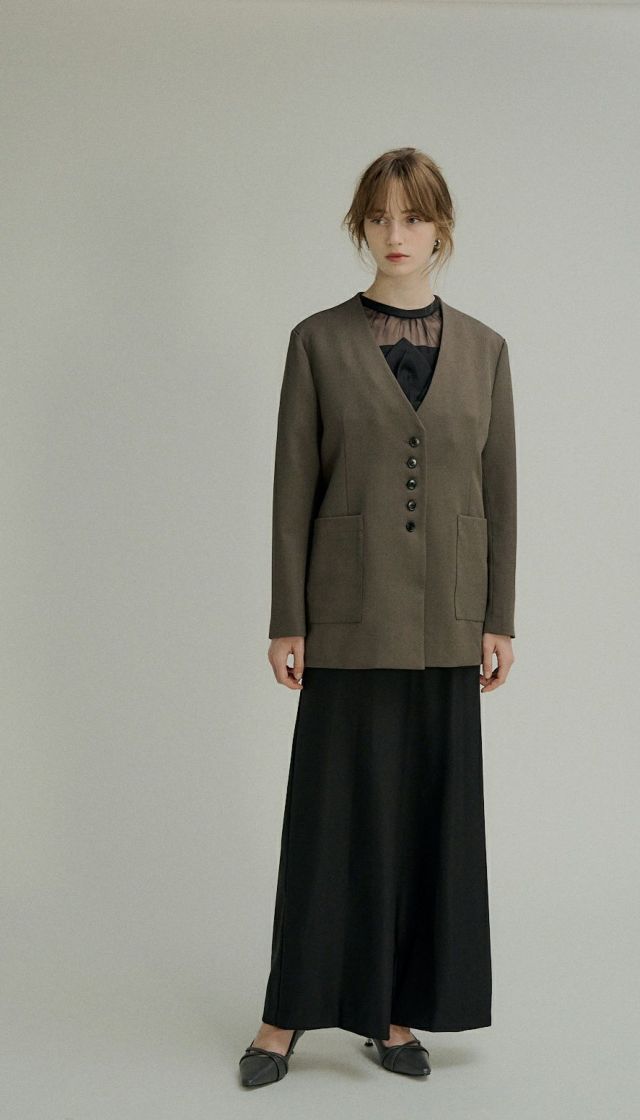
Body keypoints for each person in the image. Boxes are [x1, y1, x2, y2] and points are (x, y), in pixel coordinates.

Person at [239, 147, 517, 1087]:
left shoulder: (486, 350)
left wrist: (498, 617)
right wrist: (287, 618)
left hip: (448, 619)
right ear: (360, 225)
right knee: (329, 819)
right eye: (379, 217)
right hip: (346, 615)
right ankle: (284, 1017)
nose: (396, 235)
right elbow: (291, 490)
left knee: (428, 821)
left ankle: (395, 1016)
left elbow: (500, 493)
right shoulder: (316, 342)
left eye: (414, 217)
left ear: (442, 228)